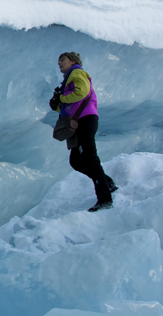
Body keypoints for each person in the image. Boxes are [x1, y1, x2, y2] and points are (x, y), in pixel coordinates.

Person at [49, 52, 117, 211]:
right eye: (58, 61)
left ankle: (105, 199)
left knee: (89, 157)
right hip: (78, 122)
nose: (59, 63)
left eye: (62, 60)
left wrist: (62, 98)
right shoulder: (68, 79)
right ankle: (107, 182)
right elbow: (70, 105)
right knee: (76, 161)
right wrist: (57, 105)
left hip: (86, 119)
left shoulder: (77, 72)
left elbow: (82, 92)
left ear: (72, 61)